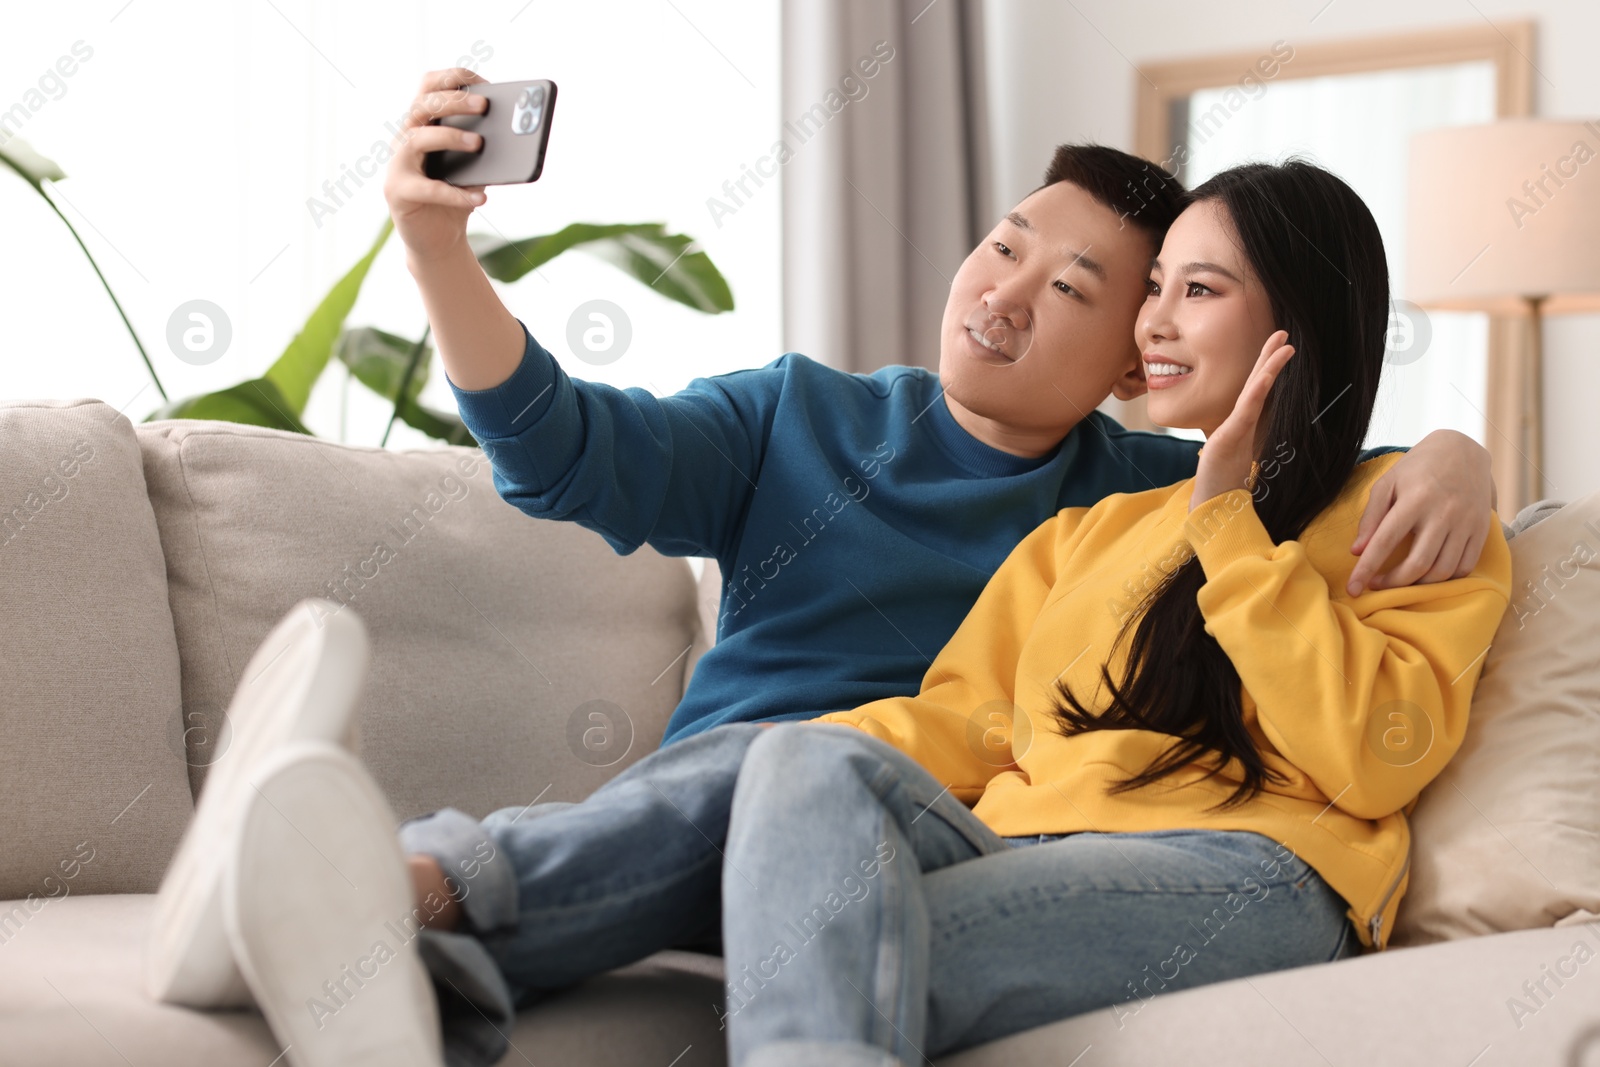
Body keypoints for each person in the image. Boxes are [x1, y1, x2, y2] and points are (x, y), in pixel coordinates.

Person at [159, 66, 1499, 1067]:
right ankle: (366, 927)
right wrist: (436, 241)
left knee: (807, 854)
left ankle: (384, 899)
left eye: (1125, 294)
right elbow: (949, 718)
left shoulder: (1254, 501)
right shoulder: (1014, 502)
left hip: (1175, 861)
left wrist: (1452, 452)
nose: (1016, 291)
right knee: (789, 761)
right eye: (1010, 245)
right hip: (851, 815)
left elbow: (1356, 701)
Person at [714, 159, 1513, 1066]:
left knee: (820, 948)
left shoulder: (1411, 517)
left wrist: (1230, 526)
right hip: (1012, 844)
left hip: (1248, 868)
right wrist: (783, 777)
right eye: (1155, 286)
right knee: (797, 769)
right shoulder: (1088, 532)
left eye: (1199, 289)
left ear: (1298, 322)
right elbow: (963, 726)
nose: (1154, 321)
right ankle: (513, 912)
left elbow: (1372, 755)